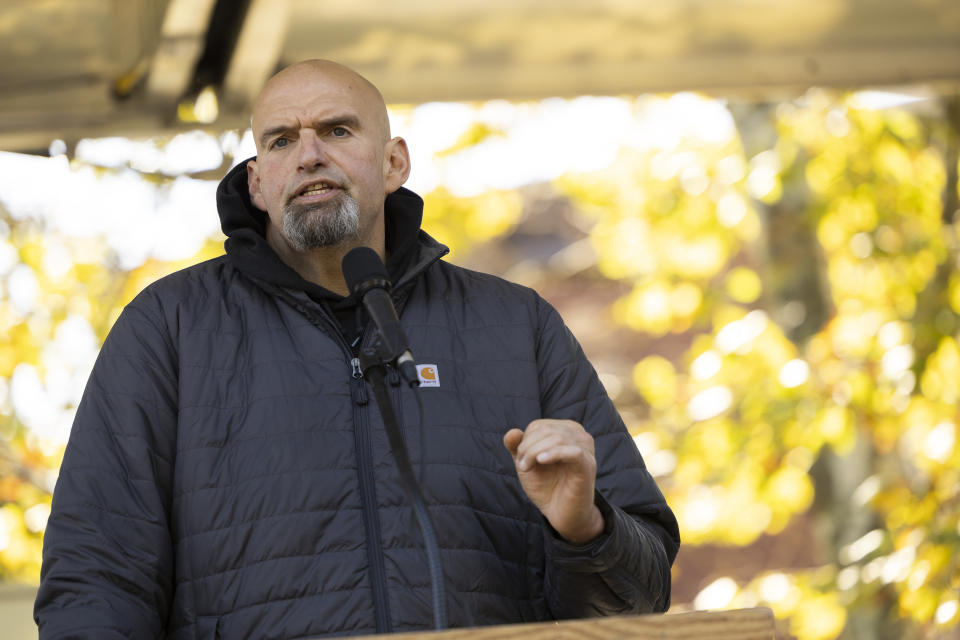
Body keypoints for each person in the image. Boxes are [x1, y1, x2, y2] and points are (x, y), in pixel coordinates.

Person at [35, 60, 680, 638]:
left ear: (395, 162)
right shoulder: (169, 327)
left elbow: (640, 598)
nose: (309, 154)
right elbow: (94, 583)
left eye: (338, 131)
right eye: (281, 141)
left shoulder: (517, 327)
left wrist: (585, 530)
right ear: (257, 183)